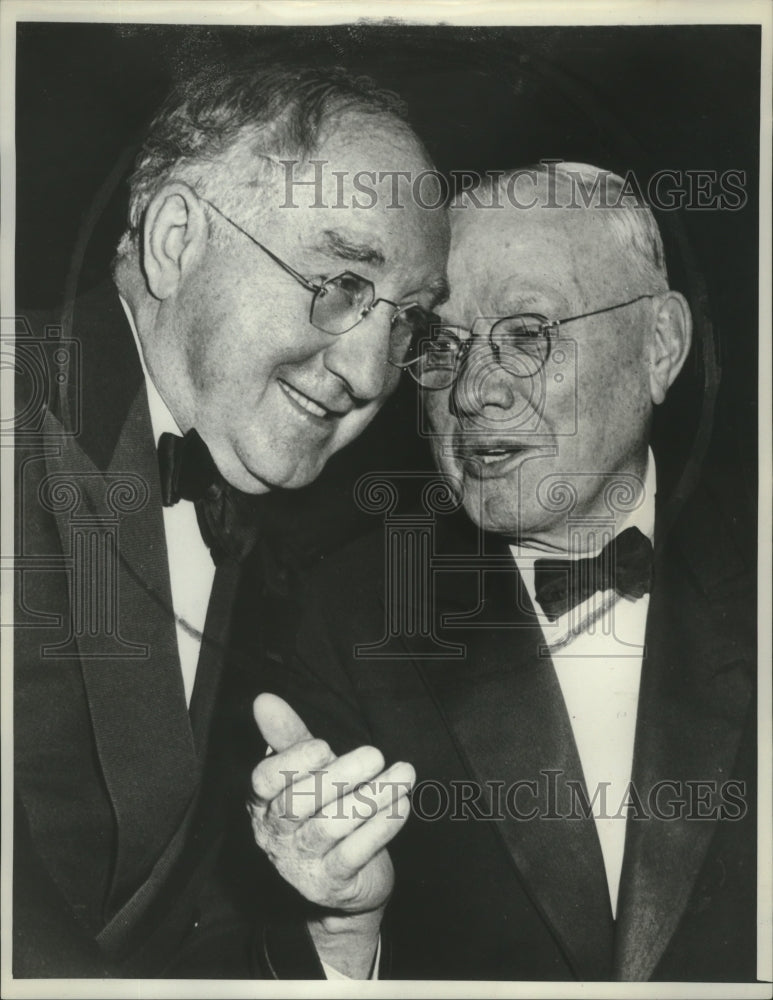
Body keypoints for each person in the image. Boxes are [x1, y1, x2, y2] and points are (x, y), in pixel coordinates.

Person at [251, 163, 757, 981]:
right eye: (442, 345)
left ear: (659, 346)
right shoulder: (344, 618)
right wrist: (343, 934)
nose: (474, 393)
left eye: (526, 333)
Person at [13, 58, 448, 978]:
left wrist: (338, 933)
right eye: (339, 282)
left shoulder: (250, 522)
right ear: (176, 239)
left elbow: (155, 931)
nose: (371, 374)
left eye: (407, 322)